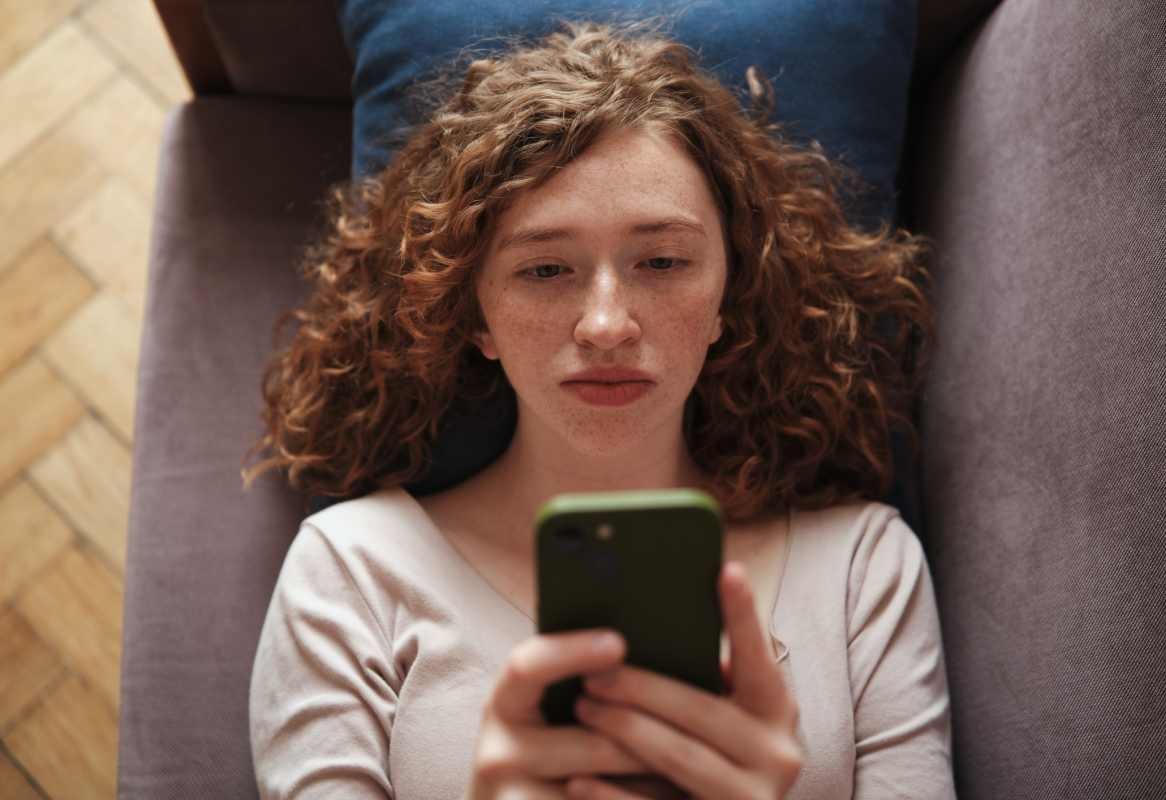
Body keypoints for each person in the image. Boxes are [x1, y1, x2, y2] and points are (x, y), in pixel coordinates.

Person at [243, 17, 952, 800]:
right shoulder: (354, 572)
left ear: (730, 293)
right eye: (545, 270)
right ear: (473, 314)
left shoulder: (861, 569)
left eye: (663, 261)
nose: (608, 325)